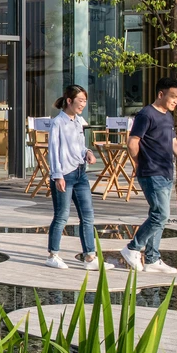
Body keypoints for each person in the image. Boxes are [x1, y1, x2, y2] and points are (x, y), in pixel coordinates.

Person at [119, 77, 177, 273]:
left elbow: (173, 144)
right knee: (161, 214)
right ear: (161, 94)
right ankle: (132, 248)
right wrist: (139, 163)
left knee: (157, 216)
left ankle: (153, 259)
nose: (176, 101)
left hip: (165, 171)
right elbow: (132, 142)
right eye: (173, 97)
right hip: (151, 172)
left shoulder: (168, 116)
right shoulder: (146, 114)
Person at [45, 85, 114, 271]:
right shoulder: (58, 122)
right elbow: (53, 151)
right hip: (64, 175)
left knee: (88, 216)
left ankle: (90, 257)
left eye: (85, 100)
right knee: (62, 216)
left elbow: (79, 146)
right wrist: (57, 176)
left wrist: (88, 152)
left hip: (80, 173)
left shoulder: (78, 121)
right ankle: (53, 254)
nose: (83, 104)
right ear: (69, 100)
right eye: (80, 100)